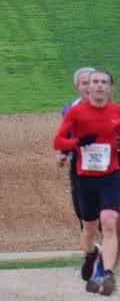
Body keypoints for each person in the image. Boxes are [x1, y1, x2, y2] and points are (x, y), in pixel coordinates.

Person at [53, 70, 120, 295]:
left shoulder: (117, 112)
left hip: (111, 175)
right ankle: (91, 254)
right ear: (87, 88)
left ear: (110, 88)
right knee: (89, 227)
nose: (100, 86)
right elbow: (59, 140)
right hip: (84, 177)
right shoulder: (75, 112)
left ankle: (108, 273)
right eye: (95, 83)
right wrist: (78, 143)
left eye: (104, 82)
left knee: (109, 222)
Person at [57, 67, 96, 225]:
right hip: (80, 165)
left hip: (110, 166)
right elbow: (66, 133)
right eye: (85, 83)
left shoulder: (113, 110)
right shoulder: (69, 109)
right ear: (77, 86)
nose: (89, 87)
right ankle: (92, 249)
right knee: (83, 215)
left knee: (108, 216)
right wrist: (63, 153)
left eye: (92, 82)